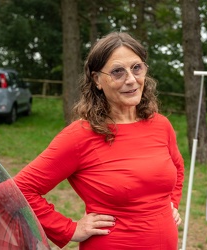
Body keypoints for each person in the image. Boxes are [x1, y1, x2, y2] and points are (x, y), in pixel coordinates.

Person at [14, 31, 185, 249]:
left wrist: (172, 202)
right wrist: (69, 228)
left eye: (136, 68)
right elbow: (18, 190)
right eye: (117, 72)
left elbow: (177, 167)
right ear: (97, 80)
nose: (131, 80)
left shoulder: (161, 125)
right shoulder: (79, 136)